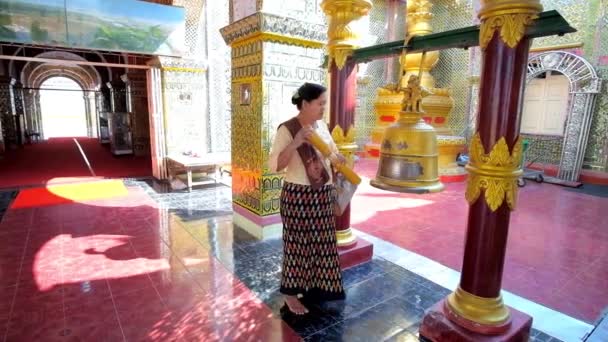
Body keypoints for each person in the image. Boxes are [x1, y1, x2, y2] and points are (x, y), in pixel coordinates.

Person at [268, 82, 346, 315]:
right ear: (305, 104)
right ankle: (291, 295)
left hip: (322, 194)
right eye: (320, 103)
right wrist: (296, 142)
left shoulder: (321, 126)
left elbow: (331, 154)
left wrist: (338, 158)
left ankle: (317, 287)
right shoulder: (288, 129)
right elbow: (275, 166)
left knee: (323, 244)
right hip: (298, 197)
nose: (323, 108)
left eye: (324, 104)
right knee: (297, 246)